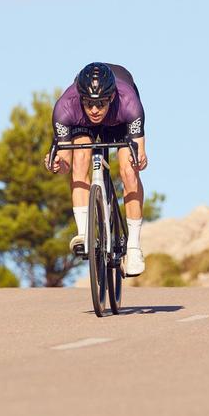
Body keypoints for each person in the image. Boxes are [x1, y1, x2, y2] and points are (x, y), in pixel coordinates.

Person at [45, 61, 148, 276]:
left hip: (120, 122)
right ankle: (84, 232)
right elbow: (64, 162)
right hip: (81, 125)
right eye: (88, 103)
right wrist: (57, 164)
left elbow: (139, 154)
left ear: (110, 98)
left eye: (100, 103)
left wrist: (139, 160)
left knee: (129, 171)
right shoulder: (66, 107)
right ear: (80, 98)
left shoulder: (129, 102)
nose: (94, 110)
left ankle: (134, 248)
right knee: (80, 159)